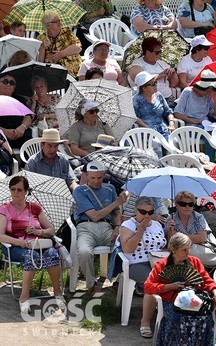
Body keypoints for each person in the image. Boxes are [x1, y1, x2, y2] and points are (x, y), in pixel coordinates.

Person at [0, 176, 65, 313]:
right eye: (13, 189)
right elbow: (1, 236)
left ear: (26, 191)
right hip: (14, 246)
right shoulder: (4, 209)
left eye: (19, 189)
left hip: (37, 244)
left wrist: (37, 231)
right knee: (31, 256)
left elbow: (51, 230)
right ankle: (24, 298)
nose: (16, 192)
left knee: (53, 253)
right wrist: (20, 243)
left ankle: (57, 292)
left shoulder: (34, 207)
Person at [145, 232, 216, 345]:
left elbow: (206, 280)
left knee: (205, 318)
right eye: (184, 250)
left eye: (188, 249)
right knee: (177, 319)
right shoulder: (161, 265)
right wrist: (169, 287)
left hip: (194, 300)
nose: (188, 253)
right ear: (174, 250)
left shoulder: (194, 261)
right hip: (172, 302)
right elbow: (148, 287)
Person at [72, 160, 129, 294]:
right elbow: (94, 216)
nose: (96, 181)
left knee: (126, 245)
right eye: (93, 178)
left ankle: (119, 280)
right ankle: (91, 284)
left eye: (99, 178)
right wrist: (116, 202)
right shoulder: (80, 190)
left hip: (106, 226)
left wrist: (117, 226)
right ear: (86, 176)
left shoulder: (110, 189)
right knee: (84, 251)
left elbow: (116, 212)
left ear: (104, 176)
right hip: (86, 227)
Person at [118, 196, 167, 338]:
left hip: (158, 262)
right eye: (143, 212)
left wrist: (170, 233)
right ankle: (145, 322)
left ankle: (169, 318)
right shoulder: (127, 225)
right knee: (153, 283)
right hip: (137, 263)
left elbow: (164, 245)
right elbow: (127, 249)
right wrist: (140, 230)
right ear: (136, 210)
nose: (147, 215)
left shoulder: (157, 224)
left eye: (150, 212)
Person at [128, 37, 181, 105]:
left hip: (167, 99)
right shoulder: (137, 64)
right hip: (148, 101)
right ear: (147, 52)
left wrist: (173, 72)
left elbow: (174, 84)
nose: (159, 54)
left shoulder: (162, 63)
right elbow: (140, 80)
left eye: (160, 51)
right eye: (157, 52)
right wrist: (160, 75)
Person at [133, 71, 176, 142]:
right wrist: (146, 127)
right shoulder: (136, 99)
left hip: (163, 128)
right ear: (144, 88)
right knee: (156, 144)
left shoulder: (159, 95)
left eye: (155, 82)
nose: (156, 85)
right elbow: (135, 117)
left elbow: (168, 111)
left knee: (174, 143)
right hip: (147, 131)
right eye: (153, 84)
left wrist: (171, 123)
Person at [37, 11, 82, 77]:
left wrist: (62, 54)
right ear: (48, 25)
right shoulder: (41, 38)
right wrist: (43, 47)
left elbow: (78, 47)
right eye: (56, 21)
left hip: (73, 69)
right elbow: (39, 62)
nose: (59, 23)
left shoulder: (66, 32)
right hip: (52, 73)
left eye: (59, 20)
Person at [0, 73, 34, 149]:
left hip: (19, 134)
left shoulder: (19, 100)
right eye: (5, 81)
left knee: (31, 146)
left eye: (12, 83)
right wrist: (4, 132)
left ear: (14, 88)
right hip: (1, 135)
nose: (8, 84)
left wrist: (22, 127)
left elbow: (28, 116)